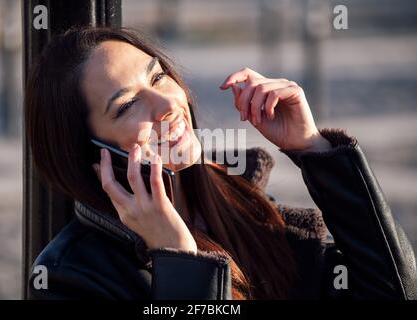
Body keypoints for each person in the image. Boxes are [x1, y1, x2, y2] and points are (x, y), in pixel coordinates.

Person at [24, 26, 416, 300]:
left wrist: (314, 149)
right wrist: (178, 260)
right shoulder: (71, 277)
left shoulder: (246, 205)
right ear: (93, 153)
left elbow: (394, 291)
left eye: (158, 77)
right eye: (127, 105)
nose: (167, 105)